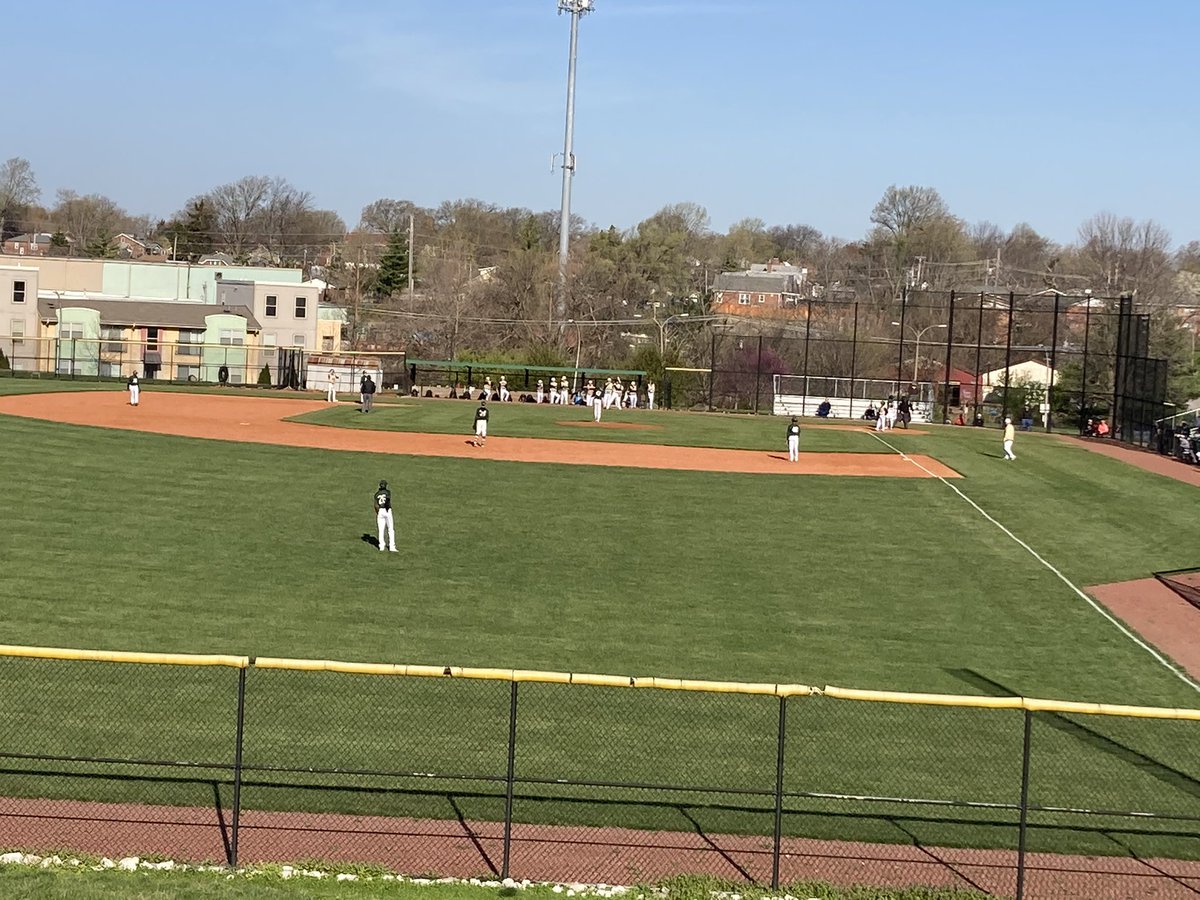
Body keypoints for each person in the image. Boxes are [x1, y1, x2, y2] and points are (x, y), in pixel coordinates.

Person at [373, 480, 397, 553]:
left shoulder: (376, 494)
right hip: (387, 510)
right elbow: (388, 501)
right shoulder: (388, 492)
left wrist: (378, 513)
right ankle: (392, 546)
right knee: (390, 529)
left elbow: (375, 505)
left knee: (381, 529)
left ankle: (381, 546)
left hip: (380, 511)